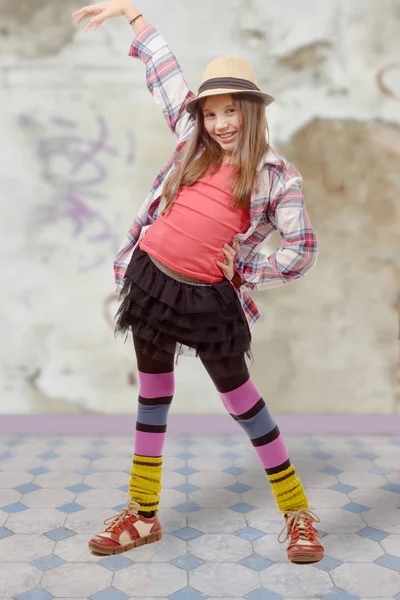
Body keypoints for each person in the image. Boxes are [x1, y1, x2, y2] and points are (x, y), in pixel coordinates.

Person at [73, 0, 324, 565]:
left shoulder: (277, 175)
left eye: (232, 111)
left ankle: (297, 513)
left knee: (242, 401)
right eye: (211, 113)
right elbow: (166, 77)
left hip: (209, 297)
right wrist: (134, 16)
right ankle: (142, 514)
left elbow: (302, 250)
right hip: (151, 280)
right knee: (154, 394)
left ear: (253, 112)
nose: (221, 123)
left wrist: (248, 268)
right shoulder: (192, 143)